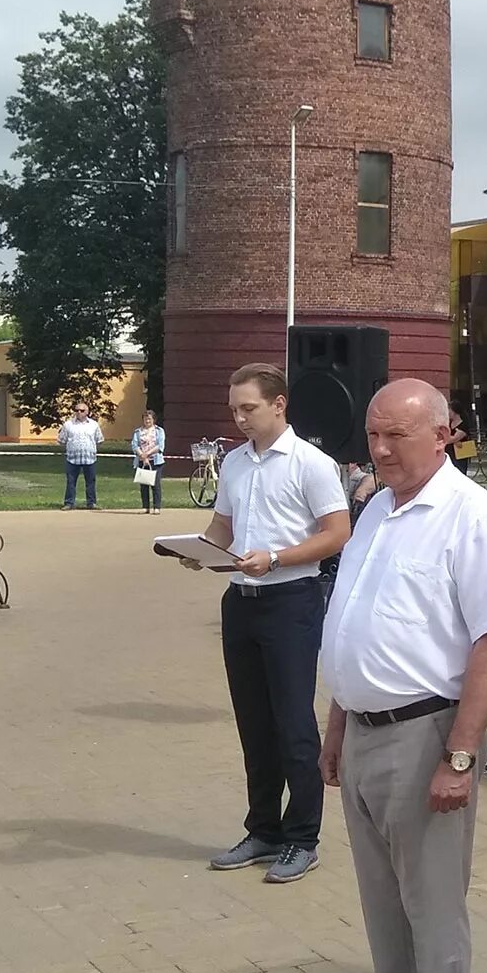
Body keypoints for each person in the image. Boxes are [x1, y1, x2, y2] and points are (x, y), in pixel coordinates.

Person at [318, 379, 487, 973]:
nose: (379, 450)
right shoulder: (375, 508)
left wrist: (459, 757)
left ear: (444, 435)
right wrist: (338, 722)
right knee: (383, 909)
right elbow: (354, 620)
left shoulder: (472, 516)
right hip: (365, 731)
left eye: (395, 436)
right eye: (372, 435)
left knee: (431, 911)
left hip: (427, 733)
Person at [185, 363, 351, 883]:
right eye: (234, 409)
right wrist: (200, 550)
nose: (239, 419)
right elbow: (222, 525)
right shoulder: (234, 462)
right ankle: (263, 830)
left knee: (293, 724)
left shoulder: (312, 463)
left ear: (279, 404)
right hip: (240, 600)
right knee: (253, 723)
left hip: (291, 600)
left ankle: (303, 837)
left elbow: (338, 533)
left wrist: (277, 558)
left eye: (249, 409)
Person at [58, 401, 103, 509]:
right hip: (72, 458)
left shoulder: (94, 425)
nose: (79, 412)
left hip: (89, 458)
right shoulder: (68, 425)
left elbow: (99, 439)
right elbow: (61, 440)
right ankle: (69, 503)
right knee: (71, 482)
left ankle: (91, 503)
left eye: (82, 410)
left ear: (87, 412)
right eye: (76, 410)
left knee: (91, 482)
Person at [132, 410, 166, 514]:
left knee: (155, 484)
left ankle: (157, 507)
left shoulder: (159, 431)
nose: (147, 421)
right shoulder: (138, 432)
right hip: (142, 460)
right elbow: (134, 445)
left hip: (155, 460)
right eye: (145, 418)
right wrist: (142, 455)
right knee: (143, 484)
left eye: (149, 419)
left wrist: (148, 454)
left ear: (153, 420)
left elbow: (160, 446)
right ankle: (145, 507)